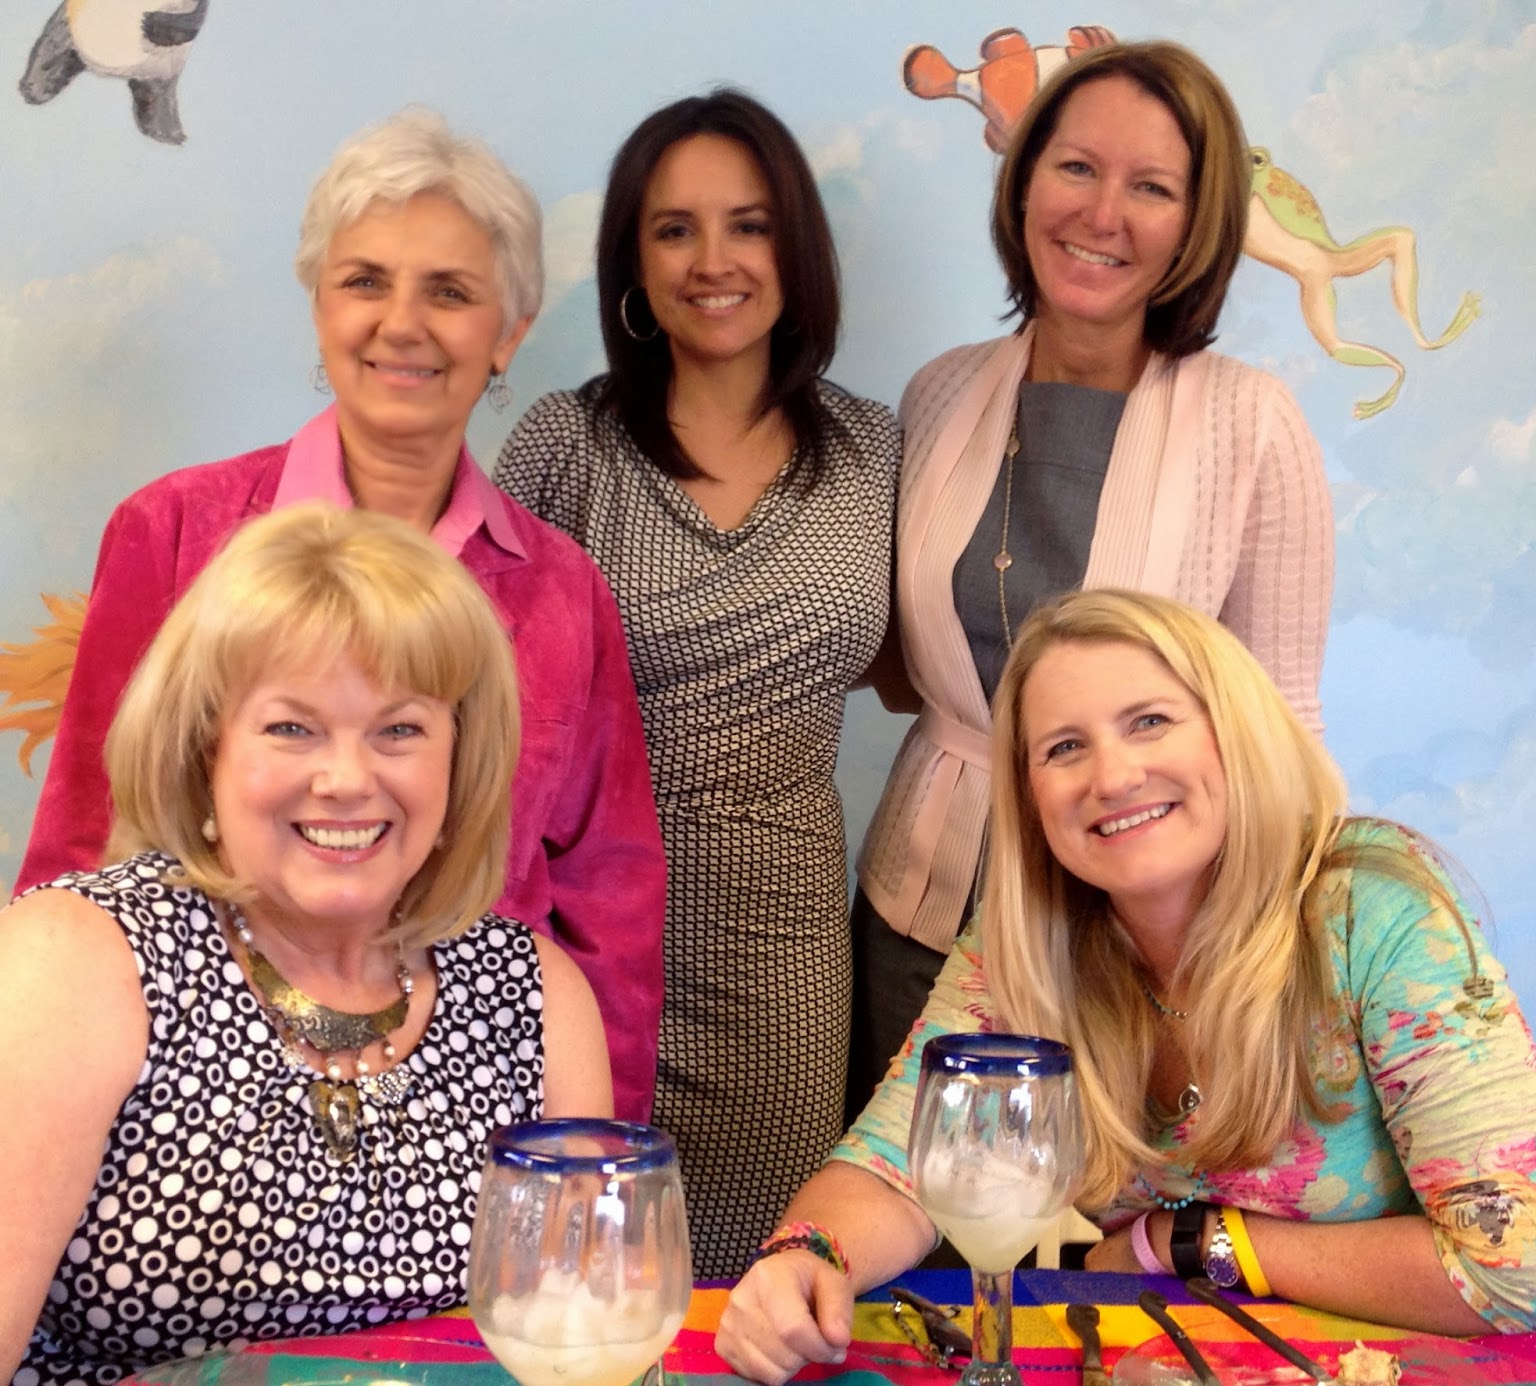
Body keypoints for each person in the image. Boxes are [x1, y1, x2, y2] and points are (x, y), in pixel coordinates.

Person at [716, 588, 1536, 1385]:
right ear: (1030, 794)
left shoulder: (1377, 907)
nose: (1114, 776)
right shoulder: (1028, 941)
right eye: (1063, 748)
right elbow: (898, 1168)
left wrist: (1187, 1241)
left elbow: (1515, 1276)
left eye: (1150, 721)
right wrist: (806, 1256)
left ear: (1231, 735)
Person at [15, 108, 666, 1125]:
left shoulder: (562, 589)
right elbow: (81, 848)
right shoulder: (174, 530)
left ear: (509, 332)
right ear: (319, 302)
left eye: (449, 291)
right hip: (203, 1091)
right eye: (365, 281)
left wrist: (590, 1152)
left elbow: (610, 901)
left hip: (483, 1098)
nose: (402, 323)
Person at [1, 504, 614, 1382]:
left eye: (400, 729)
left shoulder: (537, 996)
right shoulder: (75, 960)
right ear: (206, 749)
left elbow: (585, 1353)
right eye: (291, 727)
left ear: (460, 758)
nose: (346, 779)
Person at [847, 40, 1335, 1114]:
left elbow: (1283, 726)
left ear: (1197, 224)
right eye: (1075, 167)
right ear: (1024, 183)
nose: (1102, 214)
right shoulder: (938, 394)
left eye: (1151, 187)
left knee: (1106, 1219)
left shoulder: (1251, 423)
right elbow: (903, 661)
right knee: (915, 1205)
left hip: (1144, 942)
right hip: (917, 917)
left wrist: (1274, 962)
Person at [495, 89, 898, 1276]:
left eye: (749, 225)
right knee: (579, 1272)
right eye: (674, 229)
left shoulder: (876, 449)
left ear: (795, 247)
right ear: (632, 260)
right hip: (584, 935)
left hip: (783, 947)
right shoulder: (563, 445)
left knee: (761, 1281)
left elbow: (923, 663)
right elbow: (480, 705)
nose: (712, 261)